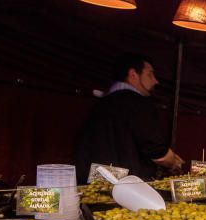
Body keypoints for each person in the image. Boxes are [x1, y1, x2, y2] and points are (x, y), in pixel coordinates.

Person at [76, 54, 184, 182]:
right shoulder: (137, 103)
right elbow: (155, 149)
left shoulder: (101, 103)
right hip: (126, 184)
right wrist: (174, 161)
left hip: (94, 179)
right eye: (150, 74)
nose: (155, 81)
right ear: (133, 74)